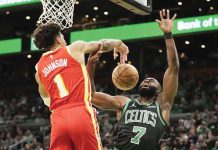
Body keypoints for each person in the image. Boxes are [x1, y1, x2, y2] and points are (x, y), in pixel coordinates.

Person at [87, 9, 179, 150]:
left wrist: (168, 35)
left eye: (152, 81)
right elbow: (91, 96)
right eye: (145, 80)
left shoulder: (162, 104)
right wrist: (91, 64)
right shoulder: (124, 103)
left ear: (159, 91)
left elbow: (173, 68)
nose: (147, 80)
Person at [32, 23, 129, 150]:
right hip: (80, 112)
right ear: (58, 39)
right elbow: (102, 44)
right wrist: (119, 43)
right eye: (62, 36)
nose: (64, 39)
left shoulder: (38, 68)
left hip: (58, 118)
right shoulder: (73, 49)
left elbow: (46, 99)